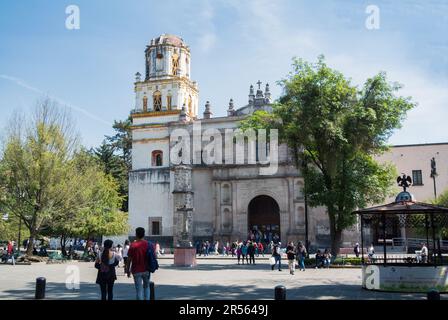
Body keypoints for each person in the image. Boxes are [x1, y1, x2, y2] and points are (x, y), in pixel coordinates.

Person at [126, 227, 150, 300]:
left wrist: (127, 270)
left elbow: (129, 259)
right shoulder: (148, 244)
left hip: (136, 270)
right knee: (146, 287)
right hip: (146, 269)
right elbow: (153, 256)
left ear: (136, 234)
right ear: (144, 234)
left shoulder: (133, 245)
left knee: (139, 290)